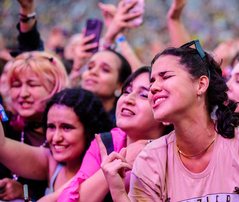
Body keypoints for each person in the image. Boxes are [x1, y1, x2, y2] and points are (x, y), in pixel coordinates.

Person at [98, 40, 239, 201]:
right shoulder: (151, 160)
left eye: (165, 77)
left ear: (201, 84)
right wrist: (119, 193)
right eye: (152, 82)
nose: (153, 88)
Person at [58, 67, 172, 202]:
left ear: (166, 114)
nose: (128, 99)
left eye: (143, 94)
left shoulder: (175, 153)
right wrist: (117, 164)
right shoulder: (106, 143)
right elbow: (69, 198)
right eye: (126, 91)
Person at [0, 88, 113, 200]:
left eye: (66, 127)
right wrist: (25, 193)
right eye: (51, 127)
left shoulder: (105, 169)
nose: (56, 138)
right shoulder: (51, 161)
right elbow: (2, 146)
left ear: (90, 130)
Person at [0, 50, 69, 200]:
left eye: (32, 84)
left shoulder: (69, 135)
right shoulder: (6, 126)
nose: (23, 93)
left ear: (54, 87)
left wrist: (24, 192)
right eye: (16, 85)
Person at [80, 49, 132, 126]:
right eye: (90, 67)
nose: (93, 72)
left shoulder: (121, 126)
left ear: (121, 85)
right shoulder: (69, 113)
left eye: (105, 70)